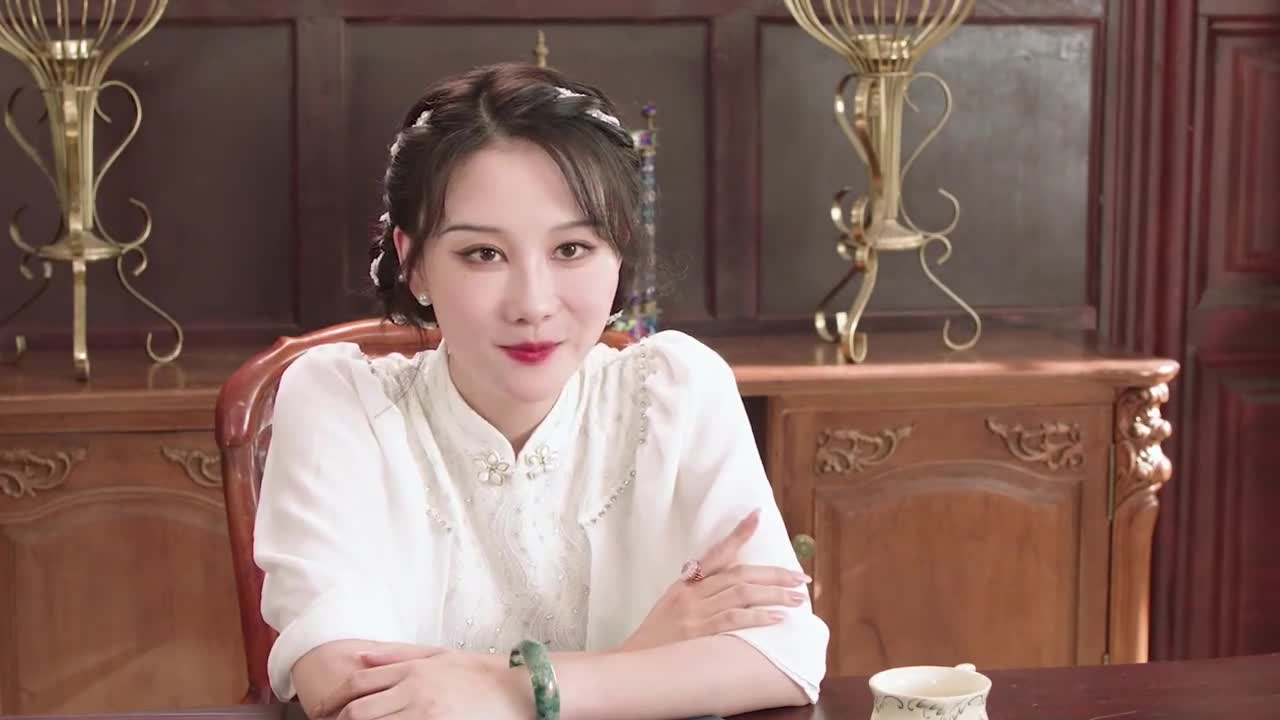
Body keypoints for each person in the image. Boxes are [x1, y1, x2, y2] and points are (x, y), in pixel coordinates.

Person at [253, 62, 829, 720]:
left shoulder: (679, 390)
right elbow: (349, 690)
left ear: (618, 252)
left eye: (572, 249)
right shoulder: (339, 403)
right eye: (482, 254)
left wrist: (501, 689)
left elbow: (785, 657)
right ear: (413, 264)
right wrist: (639, 659)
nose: (532, 304)